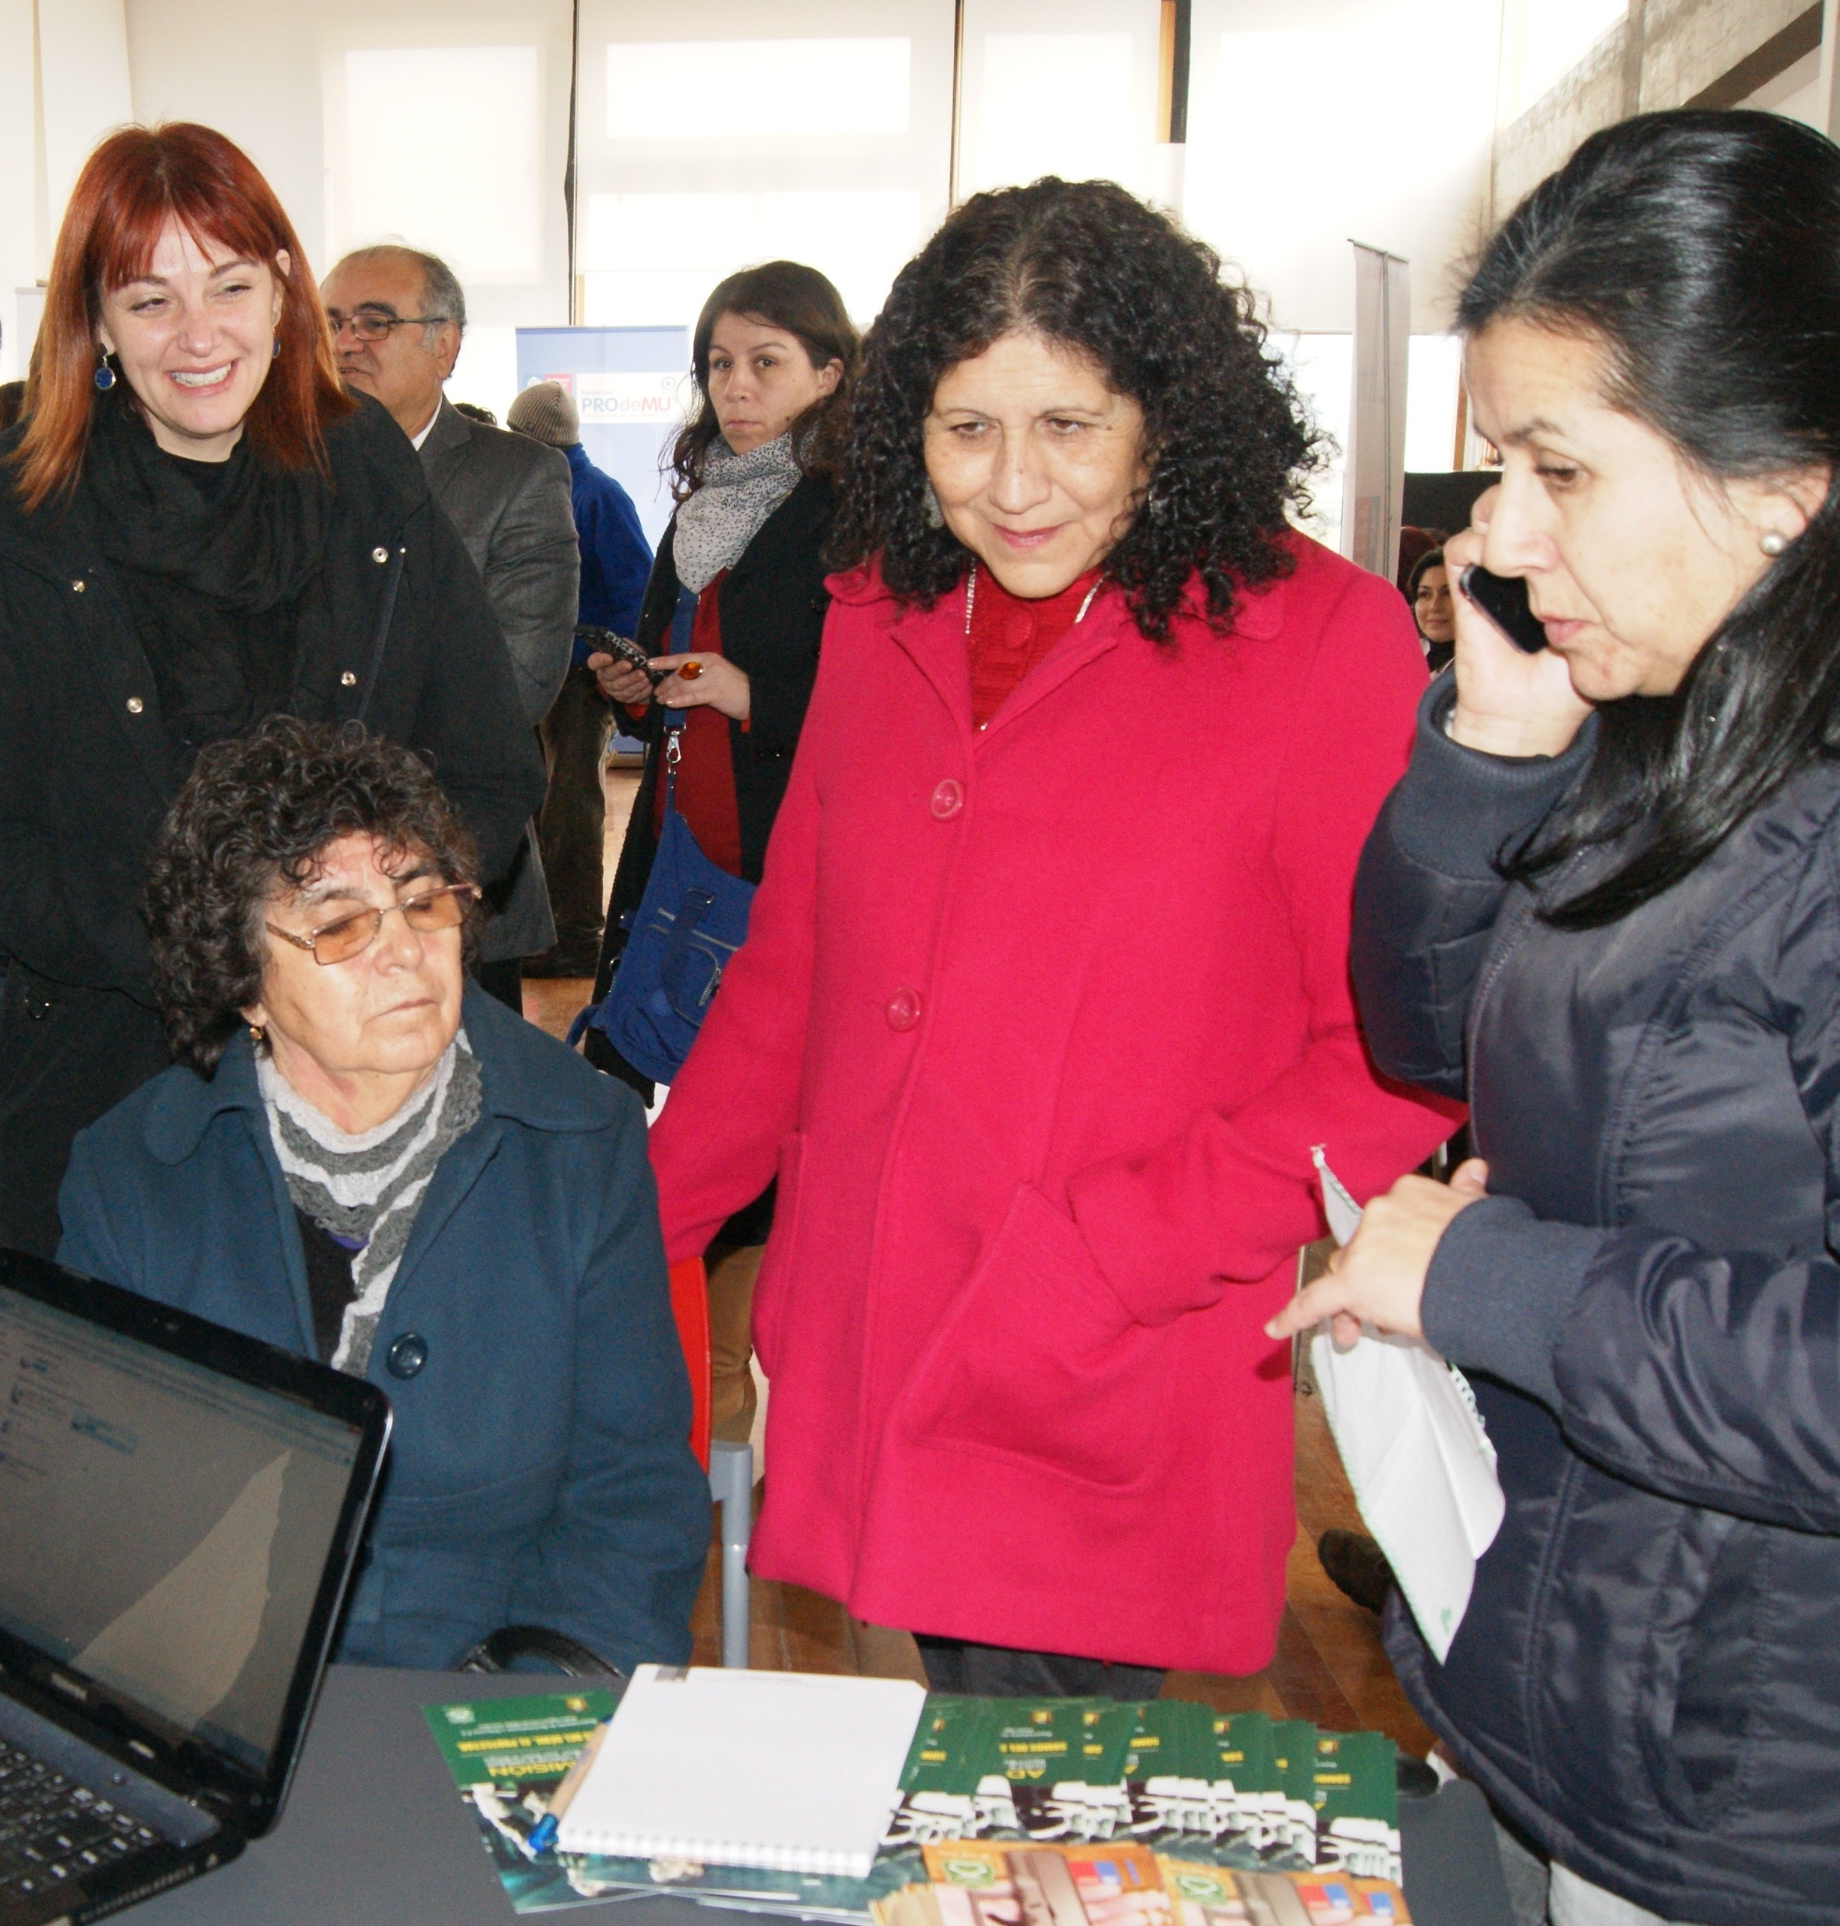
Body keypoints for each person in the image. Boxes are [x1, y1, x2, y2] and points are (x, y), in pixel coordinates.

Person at [646, 180, 1458, 1698]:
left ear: (1166, 419)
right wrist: (635, 1224)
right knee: (960, 1746)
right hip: (876, 1315)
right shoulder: (877, 614)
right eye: (966, 429)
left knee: (1050, 1773)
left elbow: (1394, 1057)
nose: (1013, 485)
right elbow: (794, 975)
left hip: (1111, 1343)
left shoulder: (1316, 637)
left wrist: (1111, 1258)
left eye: (1069, 427)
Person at [1276, 109, 1840, 1926]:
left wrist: (1486, 1280)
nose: (1498, 537)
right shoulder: (1678, 716)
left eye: (1559, 472)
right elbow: (1428, 1041)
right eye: (1493, 466)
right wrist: (1492, 750)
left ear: (1785, 484)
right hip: (1590, 1660)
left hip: (1757, 1780)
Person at [0, 122, 542, 1298]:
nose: (199, 337)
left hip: (372, 1096)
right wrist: (218, 961)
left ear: (284, 289)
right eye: (151, 301)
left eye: (231, 286)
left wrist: (357, 938)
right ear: (95, 322)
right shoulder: (31, 508)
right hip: (113, 1093)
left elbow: (490, 775)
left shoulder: (369, 479)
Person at [59, 718, 706, 1670]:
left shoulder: (579, 1141)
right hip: (212, 1686)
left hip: (498, 1688)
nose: (404, 951)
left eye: (423, 902)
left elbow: (630, 1505)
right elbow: (96, 1517)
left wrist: (523, 1716)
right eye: (340, 925)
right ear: (243, 982)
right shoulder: (135, 1175)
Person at [583, 261, 856, 1443]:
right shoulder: (698, 507)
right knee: (664, 1076)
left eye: (765, 364)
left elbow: (880, 706)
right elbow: (672, 659)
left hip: (784, 856)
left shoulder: (857, 515)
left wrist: (753, 694)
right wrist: (638, 690)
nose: (736, 388)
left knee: (762, 1114)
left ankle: (742, 1396)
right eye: (718, 365)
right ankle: (685, 1384)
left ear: (830, 374)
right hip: (677, 845)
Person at [322, 244, 577, 1009]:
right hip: (297, 878)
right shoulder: (279, 471)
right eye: (330, 322)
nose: (346, 343)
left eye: (374, 322)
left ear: (445, 345)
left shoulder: (516, 476)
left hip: (455, 862)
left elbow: (521, 682)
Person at [505, 377, 652, 982]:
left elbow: (634, 591)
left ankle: (576, 938)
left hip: (579, 678)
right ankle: (554, 933)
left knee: (571, 807)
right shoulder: (570, 489)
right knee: (549, 806)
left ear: (530, 437)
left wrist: (609, 667)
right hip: (546, 670)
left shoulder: (591, 496)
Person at [1404, 540, 1455, 673]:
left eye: (1448, 593)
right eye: (1425, 594)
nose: (1434, 606)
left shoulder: (1486, 667)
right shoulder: (1403, 656)